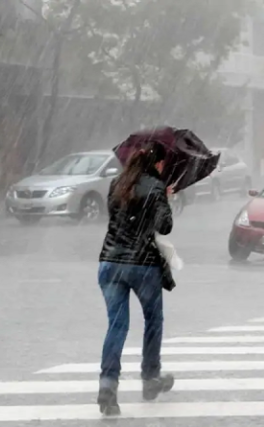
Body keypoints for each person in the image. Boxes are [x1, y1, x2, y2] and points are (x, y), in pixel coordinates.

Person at [97, 141, 175, 415]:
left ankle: (107, 386)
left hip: (109, 262)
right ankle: (150, 378)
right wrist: (165, 197)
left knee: (116, 327)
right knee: (153, 320)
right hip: (142, 265)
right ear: (157, 163)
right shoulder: (155, 187)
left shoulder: (117, 183)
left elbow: (118, 218)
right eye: (163, 164)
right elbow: (164, 226)